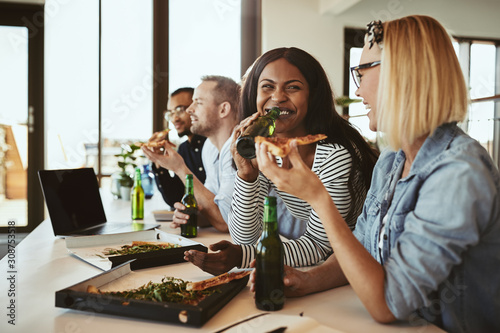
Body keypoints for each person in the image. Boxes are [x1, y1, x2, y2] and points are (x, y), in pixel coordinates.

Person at [252, 16, 500, 332]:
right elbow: (361, 251)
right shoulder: (392, 160)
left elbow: (387, 303)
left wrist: (318, 198)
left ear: (401, 73)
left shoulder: (459, 173)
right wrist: (305, 280)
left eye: (362, 72)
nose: (357, 90)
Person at [184, 47, 378, 273]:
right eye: (267, 87)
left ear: (313, 95)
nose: (277, 97)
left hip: (358, 270)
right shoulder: (268, 151)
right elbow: (244, 237)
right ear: (254, 95)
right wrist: (246, 175)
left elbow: (319, 247)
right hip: (331, 270)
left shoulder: (334, 156)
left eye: (293, 87)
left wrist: (242, 257)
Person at [143, 75, 240, 233]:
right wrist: (190, 215)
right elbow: (212, 206)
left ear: (223, 109)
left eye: (198, 103)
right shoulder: (210, 148)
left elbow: (227, 222)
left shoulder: (239, 149)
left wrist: (180, 168)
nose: (189, 110)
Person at [149, 87, 207, 208]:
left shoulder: (213, 145)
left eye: (180, 110)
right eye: (171, 113)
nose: (175, 118)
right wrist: (159, 161)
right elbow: (176, 199)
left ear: (195, 108)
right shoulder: (183, 149)